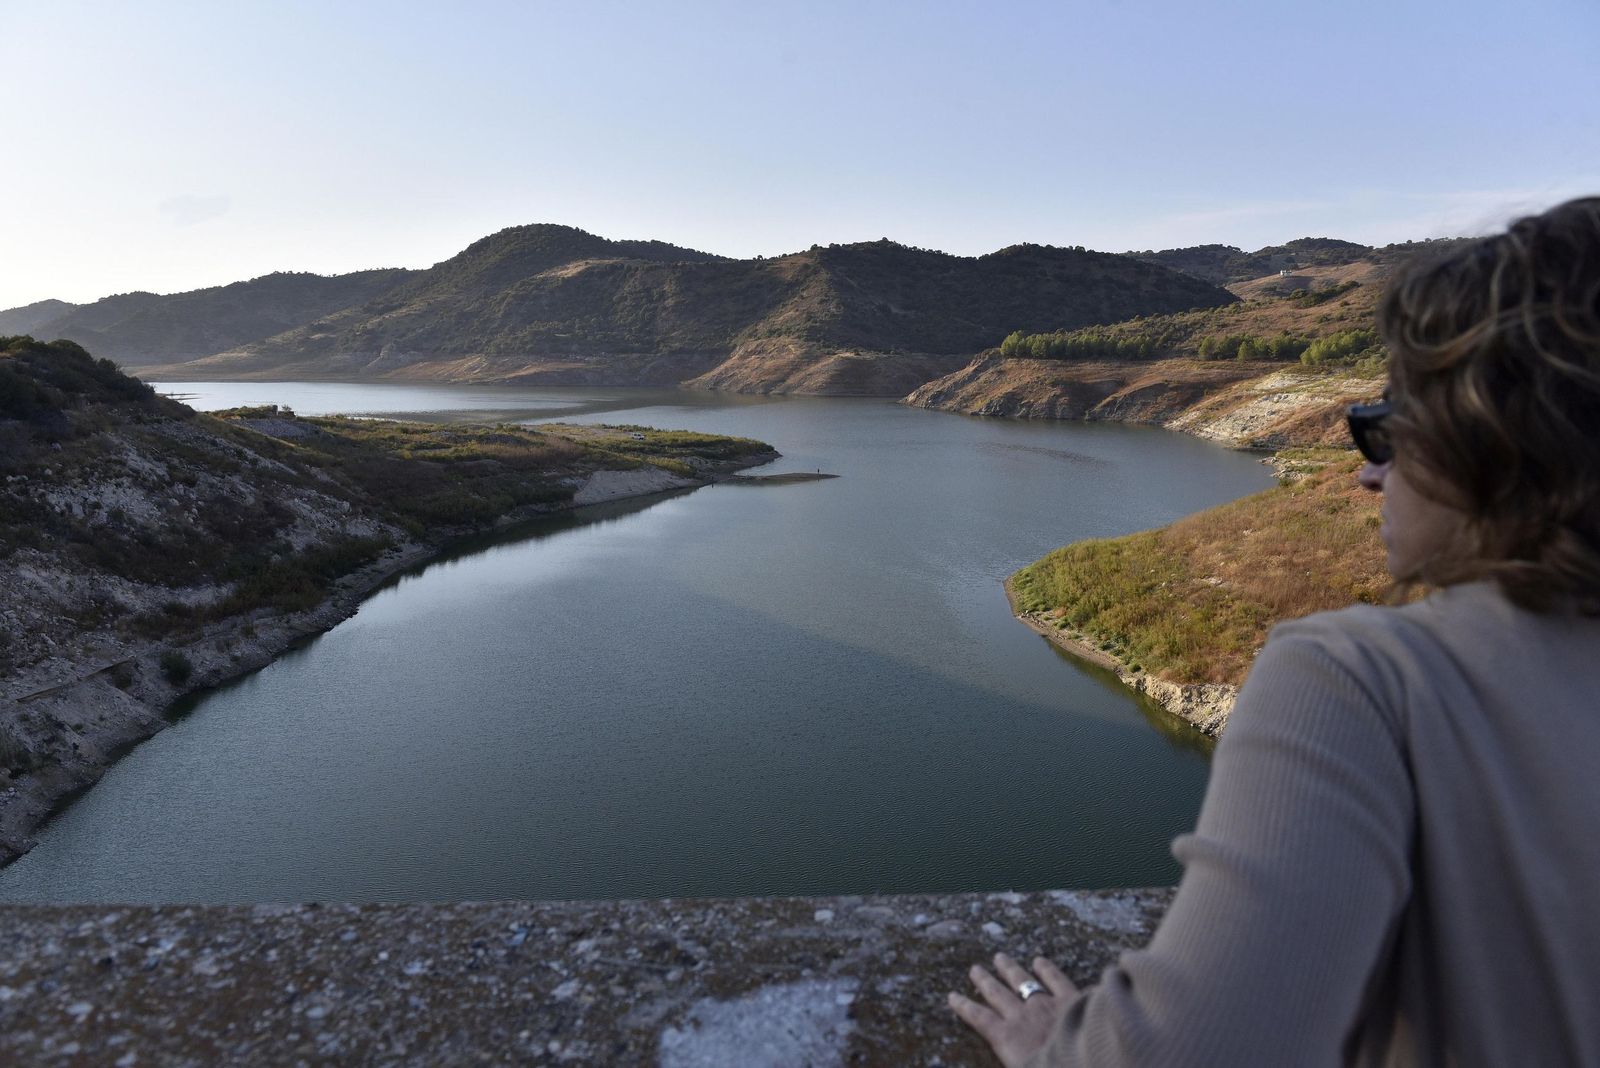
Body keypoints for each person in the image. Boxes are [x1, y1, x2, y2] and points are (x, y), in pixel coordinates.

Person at [950, 197, 1600, 1066]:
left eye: (1389, 428)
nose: (1368, 474)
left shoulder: (1359, 682)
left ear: (1492, 447)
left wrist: (1053, 1047)